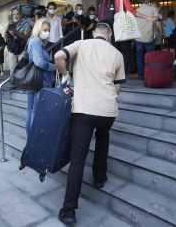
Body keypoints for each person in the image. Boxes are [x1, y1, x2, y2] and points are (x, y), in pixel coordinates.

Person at [54, 22, 125, 224]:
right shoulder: (117, 54)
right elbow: (118, 88)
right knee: (103, 139)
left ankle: (68, 211)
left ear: (94, 33)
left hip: (84, 109)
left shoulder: (81, 44)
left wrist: (66, 74)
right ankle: (99, 178)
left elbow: (59, 56)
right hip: (108, 110)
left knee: (78, 158)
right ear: (109, 35)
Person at [111, 0, 157, 72]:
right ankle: (120, 76)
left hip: (113, 28)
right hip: (123, 27)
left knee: (116, 53)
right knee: (126, 54)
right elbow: (131, 10)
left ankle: (113, 75)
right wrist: (147, 17)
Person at [25, 18, 56, 137]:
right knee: (36, 111)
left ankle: (30, 138)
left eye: (48, 30)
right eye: (45, 29)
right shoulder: (37, 42)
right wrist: (51, 67)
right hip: (40, 81)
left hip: (33, 80)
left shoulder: (31, 41)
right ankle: (34, 139)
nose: (47, 32)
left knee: (31, 110)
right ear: (38, 29)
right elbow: (38, 62)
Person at [5, 8, 32, 92]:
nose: (15, 16)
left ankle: (23, 85)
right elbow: (6, 38)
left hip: (22, 48)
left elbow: (25, 37)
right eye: (14, 14)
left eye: (17, 14)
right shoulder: (11, 24)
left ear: (21, 15)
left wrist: (16, 32)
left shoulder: (25, 24)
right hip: (12, 49)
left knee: (22, 67)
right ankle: (14, 84)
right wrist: (6, 30)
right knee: (12, 68)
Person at [135, 0, 159, 79]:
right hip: (149, 36)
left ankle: (141, 75)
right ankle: (149, 73)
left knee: (139, 56)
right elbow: (156, 20)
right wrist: (162, 32)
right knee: (149, 56)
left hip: (138, 37)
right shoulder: (153, 9)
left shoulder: (136, 11)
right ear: (147, 1)